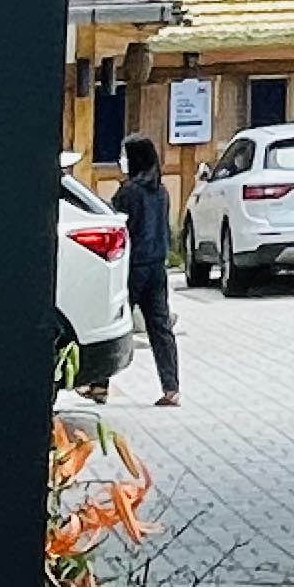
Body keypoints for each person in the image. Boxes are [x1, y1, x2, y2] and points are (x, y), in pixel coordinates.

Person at [112, 152, 183, 406]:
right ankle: (171, 388)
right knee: (160, 327)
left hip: (133, 267)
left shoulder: (128, 192)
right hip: (157, 266)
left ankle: (99, 383)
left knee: (114, 323)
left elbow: (118, 224)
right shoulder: (161, 191)